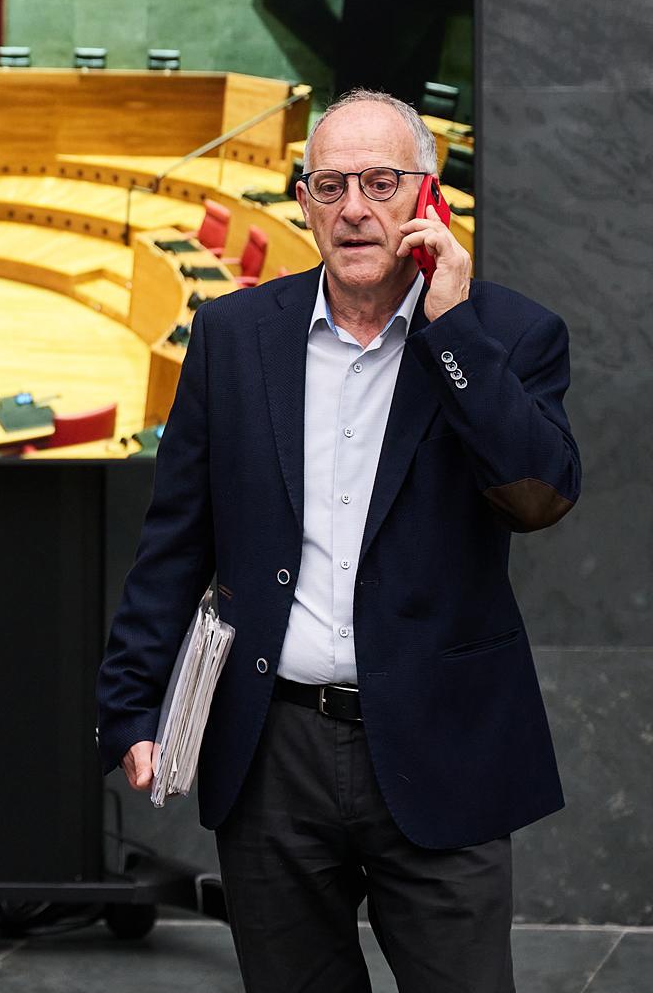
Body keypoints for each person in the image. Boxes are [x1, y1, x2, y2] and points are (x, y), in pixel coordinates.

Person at [96, 88, 578, 993]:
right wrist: (128, 706)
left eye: (382, 182)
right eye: (331, 184)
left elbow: (541, 497)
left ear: (426, 198)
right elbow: (175, 541)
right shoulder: (235, 336)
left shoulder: (508, 336)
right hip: (271, 752)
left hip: (441, 749)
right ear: (306, 203)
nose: (356, 207)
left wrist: (453, 329)